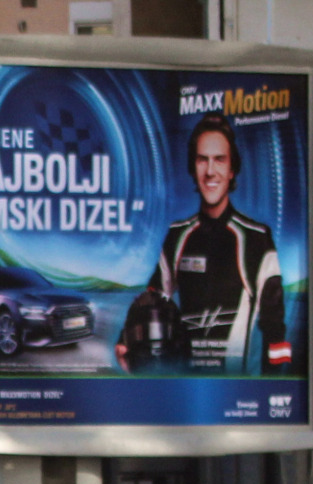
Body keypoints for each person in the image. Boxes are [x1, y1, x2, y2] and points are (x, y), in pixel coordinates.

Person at [116, 111, 290, 375]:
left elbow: (275, 328)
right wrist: (123, 341)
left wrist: (271, 391)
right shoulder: (178, 235)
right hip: (185, 393)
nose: (210, 171)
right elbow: (150, 301)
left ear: (232, 170)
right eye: (202, 160)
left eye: (219, 160)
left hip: (234, 394)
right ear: (193, 167)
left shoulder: (256, 238)